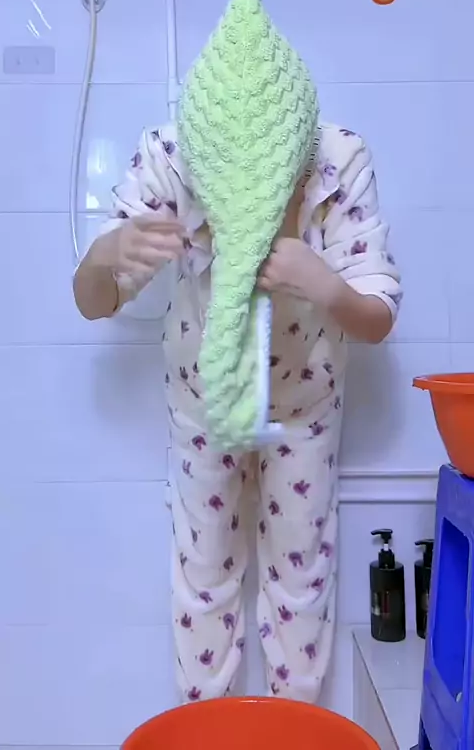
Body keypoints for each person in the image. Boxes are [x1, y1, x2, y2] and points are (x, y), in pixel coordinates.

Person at [74, 120, 401, 704]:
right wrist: (99, 260)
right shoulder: (174, 153)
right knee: (204, 576)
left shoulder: (338, 157)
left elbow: (378, 319)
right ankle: (206, 728)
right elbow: (94, 302)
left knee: (300, 581)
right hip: (205, 397)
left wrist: (324, 284)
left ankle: (294, 730)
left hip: (304, 400)